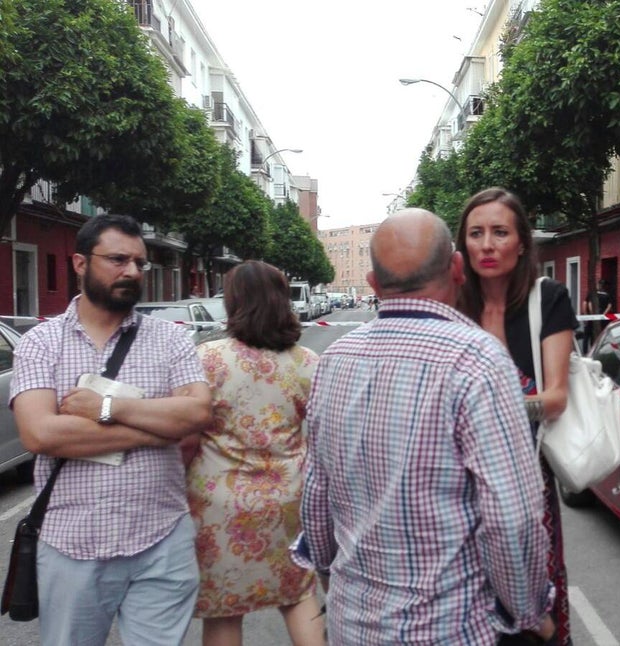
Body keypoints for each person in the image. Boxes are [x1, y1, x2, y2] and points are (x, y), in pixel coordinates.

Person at [297, 209, 554, 645]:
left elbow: (316, 491)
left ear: (374, 285)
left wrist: (326, 567)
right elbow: (511, 516)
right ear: (457, 269)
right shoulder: (478, 360)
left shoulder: (334, 361)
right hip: (449, 627)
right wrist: (529, 609)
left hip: (352, 624)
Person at [9, 213, 212, 645]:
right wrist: (157, 428)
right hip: (72, 544)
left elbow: (196, 415)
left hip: (161, 540)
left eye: (140, 263)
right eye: (118, 259)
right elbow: (41, 435)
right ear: (80, 263)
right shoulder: (40, 345)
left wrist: (106, 407)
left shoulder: (171, 340)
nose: (132, 272)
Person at [455, 187, 578, 646]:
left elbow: (556, 397)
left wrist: (494, 406)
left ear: (522, 242)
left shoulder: (547, 299)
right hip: (458, 481)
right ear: (462, 245)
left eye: (500, 232)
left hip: (526, 474)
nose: (487, 245)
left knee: (532, 602)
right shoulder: (453, 304)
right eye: (476, 233)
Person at [184, 261, 325, 646]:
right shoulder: (306, 362)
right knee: (298, 595)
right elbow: (327, 434)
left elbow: (187, 433)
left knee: (225, 608)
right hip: (289, 497)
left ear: (233, 303)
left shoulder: (207, 359)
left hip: (218, 502)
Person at [580, 278, 615, 352]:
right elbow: (609, 306)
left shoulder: (593, 294)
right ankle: (595, 351)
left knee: (588, 335)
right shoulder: (606, 295)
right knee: (599, 335)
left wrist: (588, 314)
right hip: (600, 319)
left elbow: (586, 303)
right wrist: (603, 315)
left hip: (591, 318)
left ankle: (585, 352)